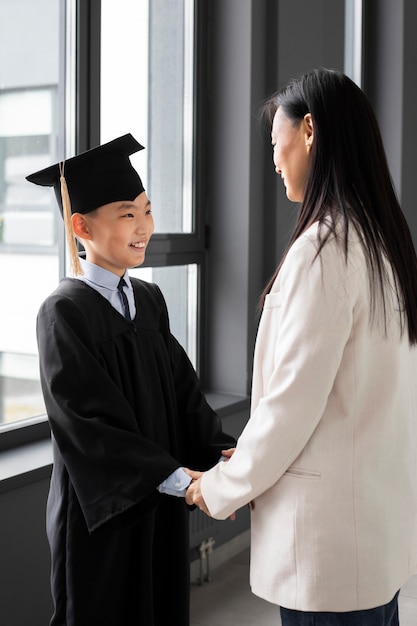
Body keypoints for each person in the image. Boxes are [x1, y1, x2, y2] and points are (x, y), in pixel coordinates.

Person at [185, 67, 417, 625]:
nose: (273, 158)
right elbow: (346, 399)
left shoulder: (325, 248)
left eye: (275, 141)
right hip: (372, 539)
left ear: (308, 131)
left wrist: (219, 488)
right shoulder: (380, 242)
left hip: (328, 553)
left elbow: (291, 404)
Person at [26, 134, 235, 626]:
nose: (144, 227)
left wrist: (224, 455)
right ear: (81, 225)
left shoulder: (149, 299)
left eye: (146, 210)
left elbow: (183, 393)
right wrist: (184, 482)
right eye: (127, 215)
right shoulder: (63, 312)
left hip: (157, 505)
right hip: (104, 516)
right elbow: (92, 427)